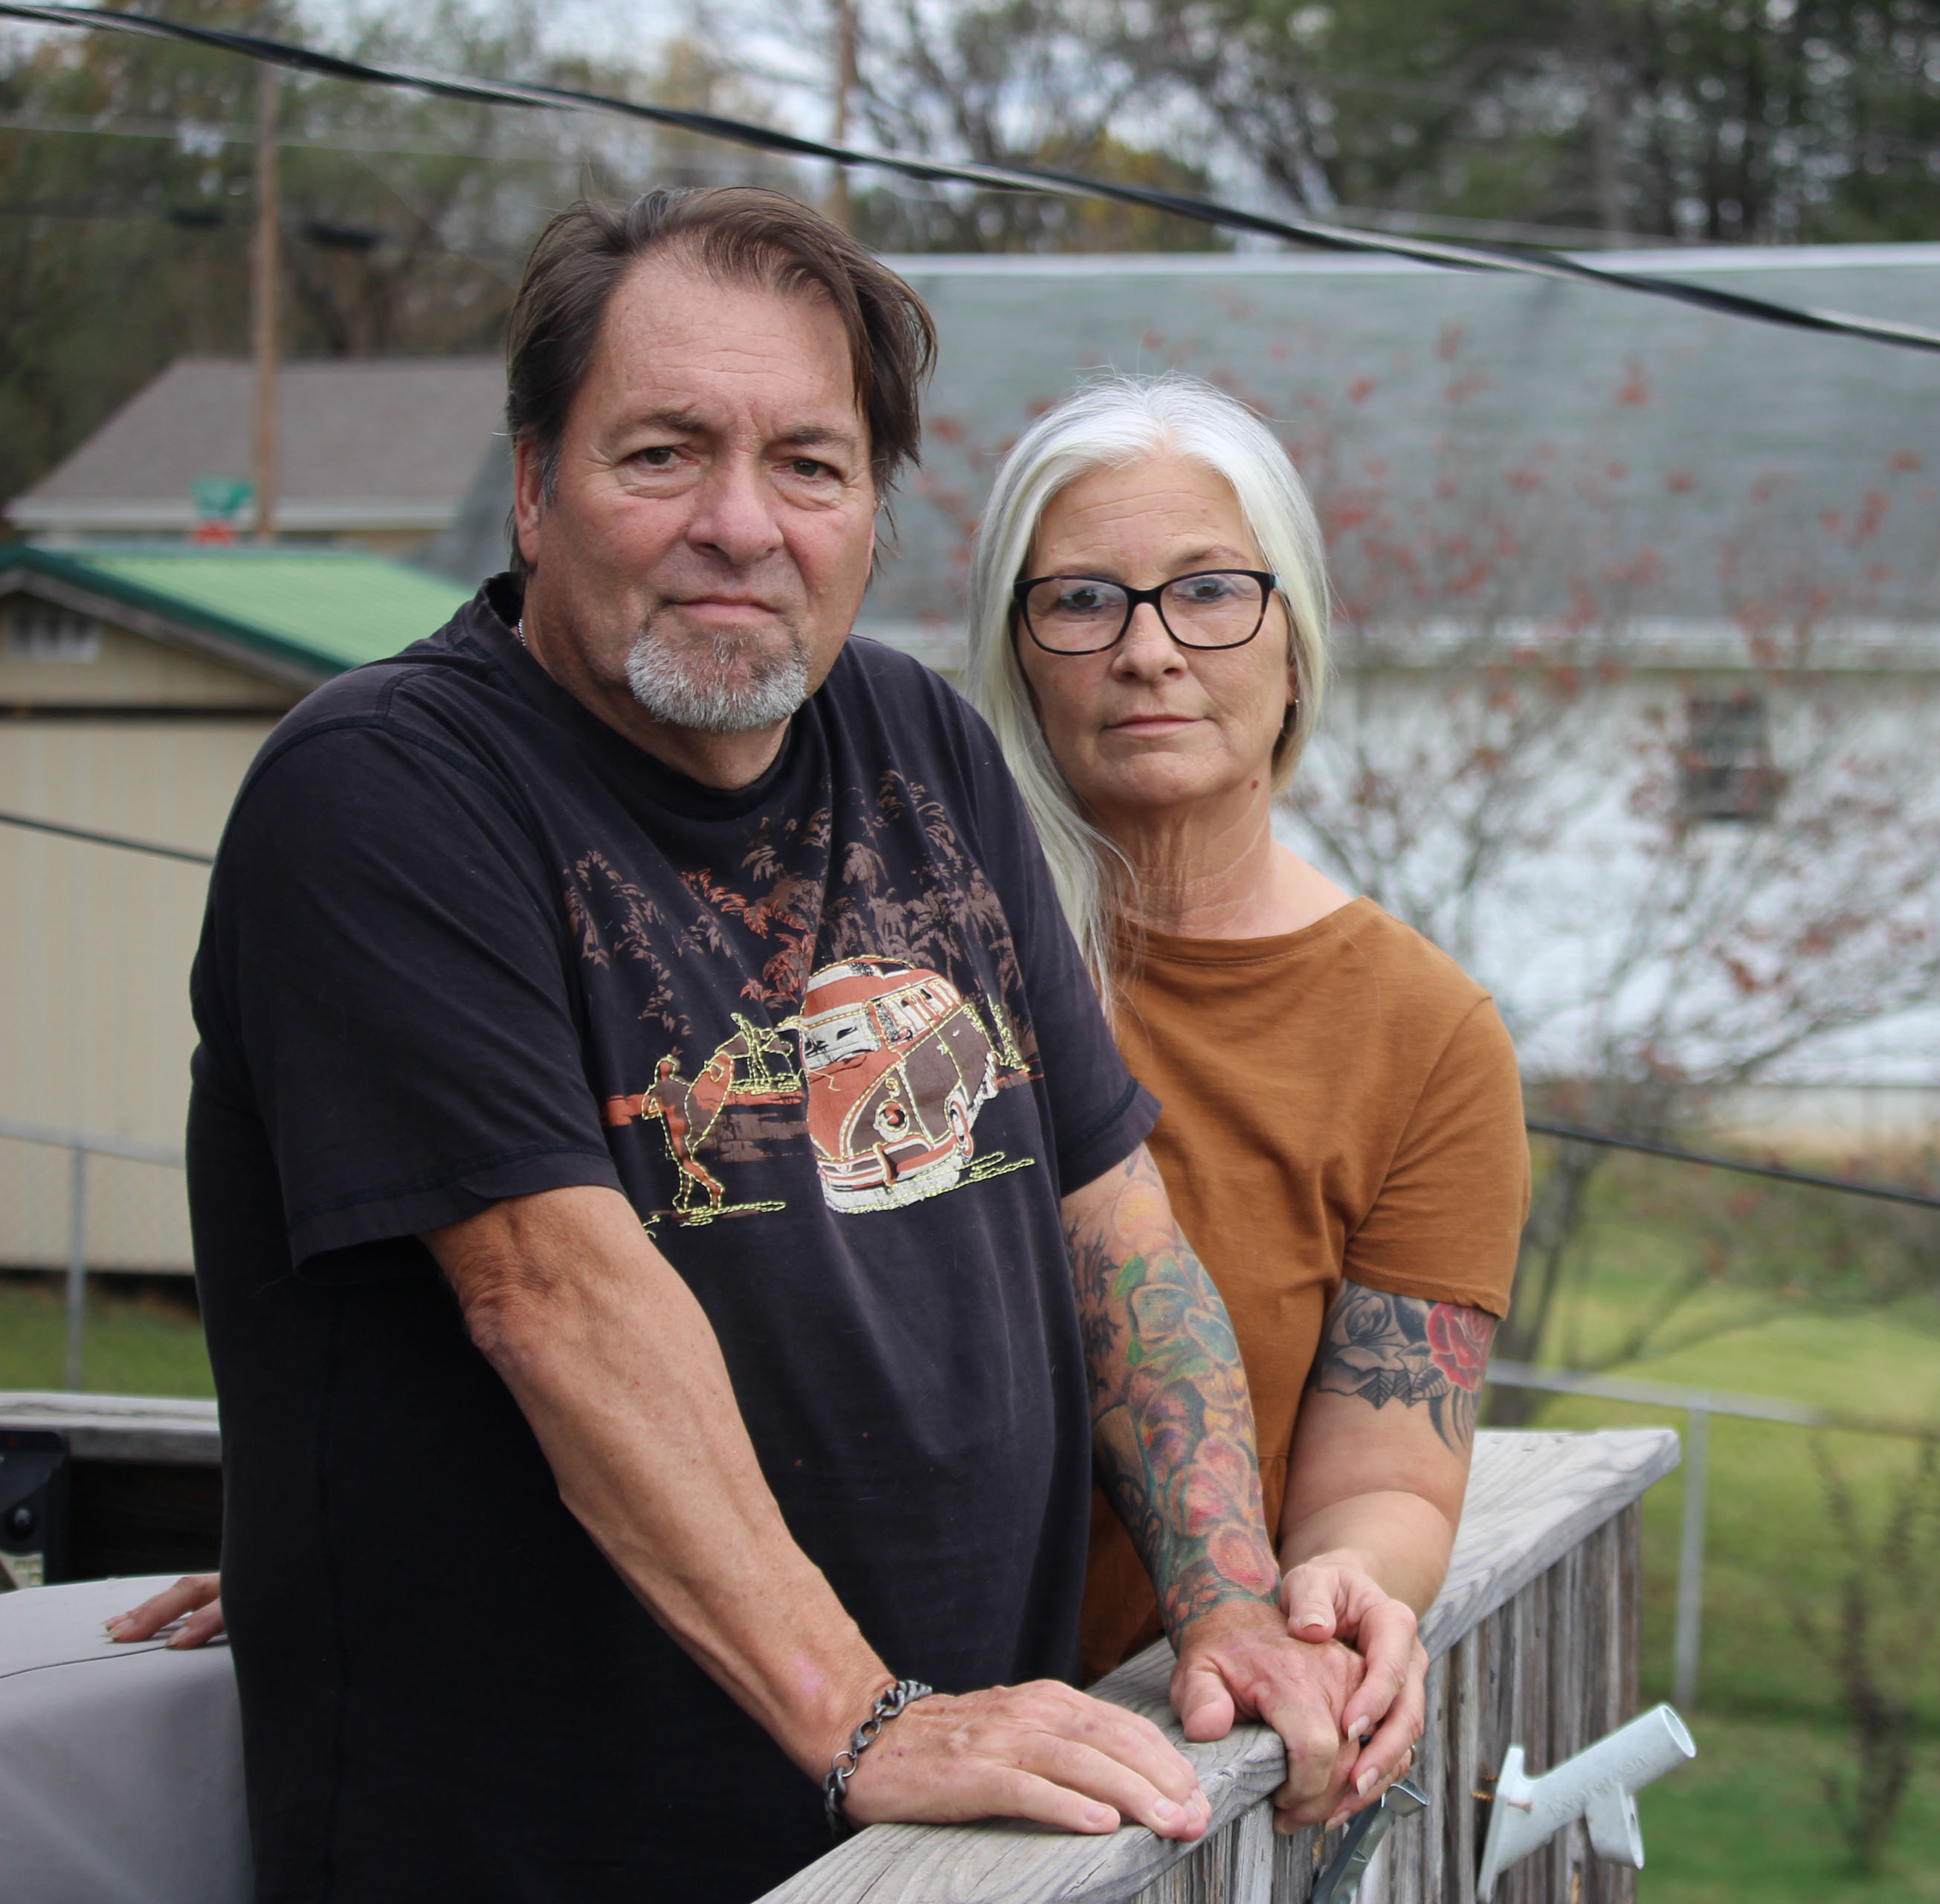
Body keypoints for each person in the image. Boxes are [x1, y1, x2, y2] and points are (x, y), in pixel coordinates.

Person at [140, 187, 1370, 1903]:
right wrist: (863, 1716)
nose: (743, 522)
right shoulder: (387, 793)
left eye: (809, 462)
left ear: (871, 508)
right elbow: (551, 1292)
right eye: (663, 454)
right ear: (532, 482)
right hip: (539, 1853)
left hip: (940, 1855)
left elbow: (1111, 1217)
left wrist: (1227, 1591)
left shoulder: (919, 737)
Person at [958, 374, 1531, 1806]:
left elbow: (1390, 1474)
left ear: (1294, 641)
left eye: (1209, 591)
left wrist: (1343, 1592)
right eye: (1083, 600)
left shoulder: (1425, 1036)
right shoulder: (916, 953)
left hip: (1167, 1775)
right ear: (1017, 652)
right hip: (850, 1742)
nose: (1148, 650)